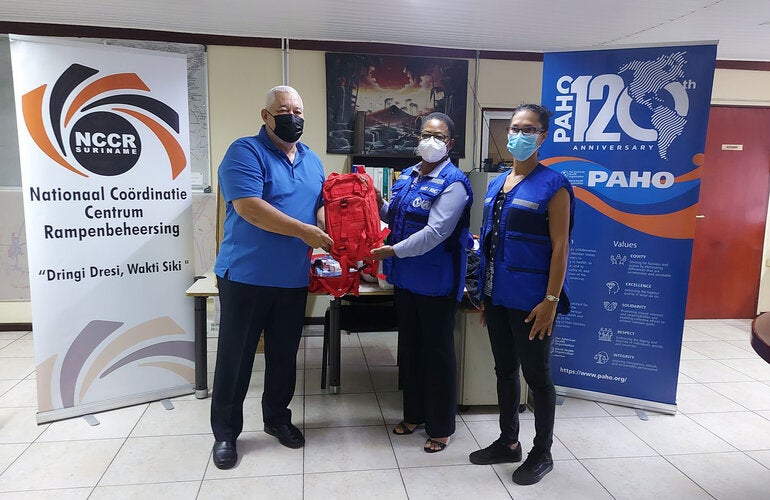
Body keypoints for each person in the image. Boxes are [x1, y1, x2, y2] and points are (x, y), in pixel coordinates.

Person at [210, 85, 333, 470]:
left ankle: (277, 418)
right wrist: (306, 232)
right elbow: (250, 208)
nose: (292, 117)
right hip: (246, 275)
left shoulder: (313, 160)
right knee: (236, 357)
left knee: (283, 356)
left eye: (298, 111)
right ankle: (226, 433)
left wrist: (339, 227)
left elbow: (319, 210)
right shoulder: (245, 151)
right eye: (283, 110)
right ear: (266, 116)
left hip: (292, 278)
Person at [468, 104, 574, 485]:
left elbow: (560, 248)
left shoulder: (554, 186)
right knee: (505, 371)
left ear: (542, 137)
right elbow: (490, 242)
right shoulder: (496, 184)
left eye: (528, 129)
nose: (519, 135)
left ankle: (542, 452)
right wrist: (485, 295)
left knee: (538, 378)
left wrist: (551, 302)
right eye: (515, 128)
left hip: (533, 303)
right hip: (497, 298)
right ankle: (508, 441)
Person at [371, 112, 473, 453]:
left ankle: (441, 426)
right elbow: (396, 216)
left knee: (437, 352)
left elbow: (436, 232)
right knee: (411, 349)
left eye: (439, 136)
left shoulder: (454, 183)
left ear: (450, 144)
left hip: (437, 281)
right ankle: (413, 415)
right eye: (426, 134)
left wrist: (393, 251)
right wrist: (377, 202)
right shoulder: (408, 176)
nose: (431, 141)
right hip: (406, 279)